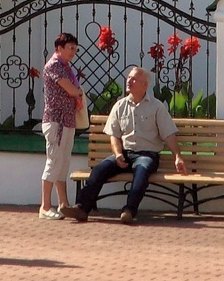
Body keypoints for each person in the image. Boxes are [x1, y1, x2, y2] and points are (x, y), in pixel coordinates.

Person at [75, 64, 176, 223]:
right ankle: (81, 208)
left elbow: (168, 134)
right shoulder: (120, 105)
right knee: (100, 169)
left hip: (146, 155)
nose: (129, 81)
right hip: (124, 154)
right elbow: (114, 135)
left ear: (145, 84)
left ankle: (129, 210)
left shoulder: (156, 107)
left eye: (134, 79)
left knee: (142, 171)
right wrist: (118, 154)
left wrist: (178, 157)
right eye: (128, 78)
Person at [36, 32, 82, 220]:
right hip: (56, 121)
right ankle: (45, 206)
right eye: (70, 48)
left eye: (75, 49)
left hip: (67, 120)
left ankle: (63, 204)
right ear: (59, 48)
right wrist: (78, 92)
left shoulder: (66, 67)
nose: (73, 52)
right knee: (54, 161)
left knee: (63, 162)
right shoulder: (54, 65)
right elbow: (71, 89)